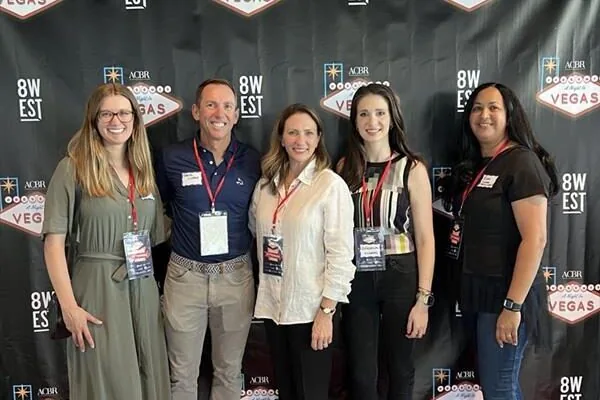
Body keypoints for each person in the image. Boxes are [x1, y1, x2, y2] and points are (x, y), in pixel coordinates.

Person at [42, 83, 169, 400]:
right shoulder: (72, 168)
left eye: (124, 113)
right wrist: (69, 308)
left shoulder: (143, 171)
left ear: (135, 119)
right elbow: (54, 244)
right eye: (107, 114)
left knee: (149, 376)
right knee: (107, 381)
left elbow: (156, 232)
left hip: (142, 285)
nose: (117, 121)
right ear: (94, 120)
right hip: (97, 288)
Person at [440, 82, 558, 400]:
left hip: (506, 295)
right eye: (477, 108)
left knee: (499, 387)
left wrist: (512, 305)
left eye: (494, 107)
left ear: (510, 115)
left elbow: (535, 239)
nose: (484, 115)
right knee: (498, 387)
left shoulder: (522, 162)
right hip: (480, 292)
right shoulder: (482, 164)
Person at [156, 78, 261, 400]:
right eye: (211, 105)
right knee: (181, 375)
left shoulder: (252, 159)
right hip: (185, 277)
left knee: (229, 372)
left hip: (235, 277)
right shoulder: (172, 157)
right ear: (196, 111)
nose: (219, 113)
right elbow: (159, 208)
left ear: (236, 114)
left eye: (227, 106)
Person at [249, 103, 356, 400]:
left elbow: (341, 255)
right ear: (281, 138)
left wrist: (326, 312)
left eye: (309, 133)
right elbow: (255, 230)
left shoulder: (330, 185)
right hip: (273, 308)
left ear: (318, 138)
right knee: (286, 393)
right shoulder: (265, 186)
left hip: (311, 311)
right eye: (293, 132)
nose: (301, 140)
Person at [337, 83, 435, 400]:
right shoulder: (344, 167)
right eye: (364, 114)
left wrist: (423, 299)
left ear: (392, 118)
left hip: (400, 273)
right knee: (362, 372)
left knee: (401, 368)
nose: (372, 121)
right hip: (358, 275)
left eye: (380, 113)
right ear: (354, 121)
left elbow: (425, 237)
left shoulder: (411, 167)